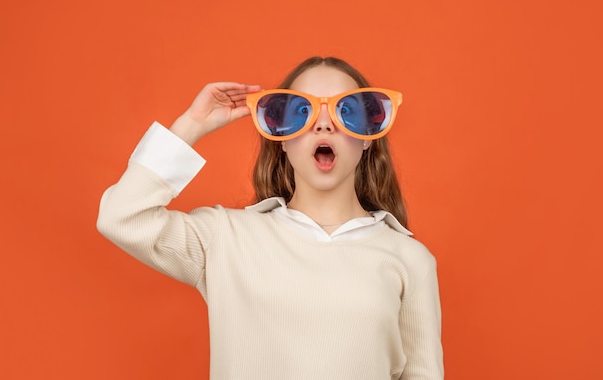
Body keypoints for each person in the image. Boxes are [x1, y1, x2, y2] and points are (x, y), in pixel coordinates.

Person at [97, 56, 444, 379]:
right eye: (303, 112)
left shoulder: (409, 259)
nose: (324, 125)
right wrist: (191, 125)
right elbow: (121, 217)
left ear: (368, 137)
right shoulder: (226, 238)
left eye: (345, 111)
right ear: (282, 138)